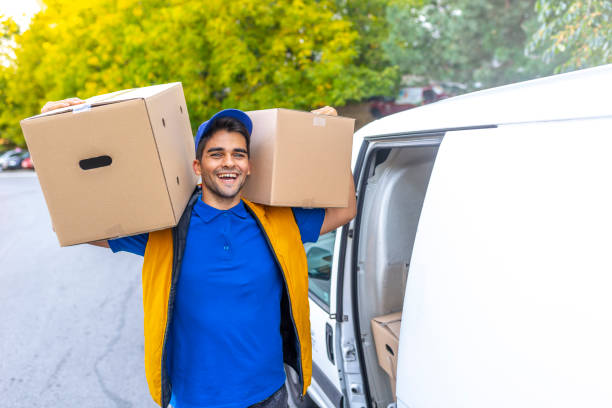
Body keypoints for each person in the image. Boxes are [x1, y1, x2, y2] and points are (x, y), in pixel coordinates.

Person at [41, 100, 357, 408]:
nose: (229, 162)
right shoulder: (166, 228)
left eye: (239, 154)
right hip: (195, 399)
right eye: (216, 154)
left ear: (250, 166)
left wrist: (332, 142)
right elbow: (77, 228)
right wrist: (70, 126)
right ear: (197, 165)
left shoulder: (279, 222)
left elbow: (345, 210)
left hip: (269, 394)